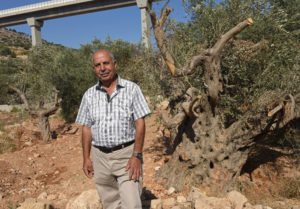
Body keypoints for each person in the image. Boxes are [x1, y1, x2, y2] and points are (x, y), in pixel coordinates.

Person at [75, 49, 151, 209]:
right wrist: (86, 158)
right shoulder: (89, 95)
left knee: (132, 204)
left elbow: (140, 123)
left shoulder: (132, 89)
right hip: (100, 157)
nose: (102, 68)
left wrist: (136, 155)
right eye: (97, 65)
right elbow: (86, 128)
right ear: (94, 69)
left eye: (106, 63)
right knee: (110, 204)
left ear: (114, 64)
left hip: (126, 156)